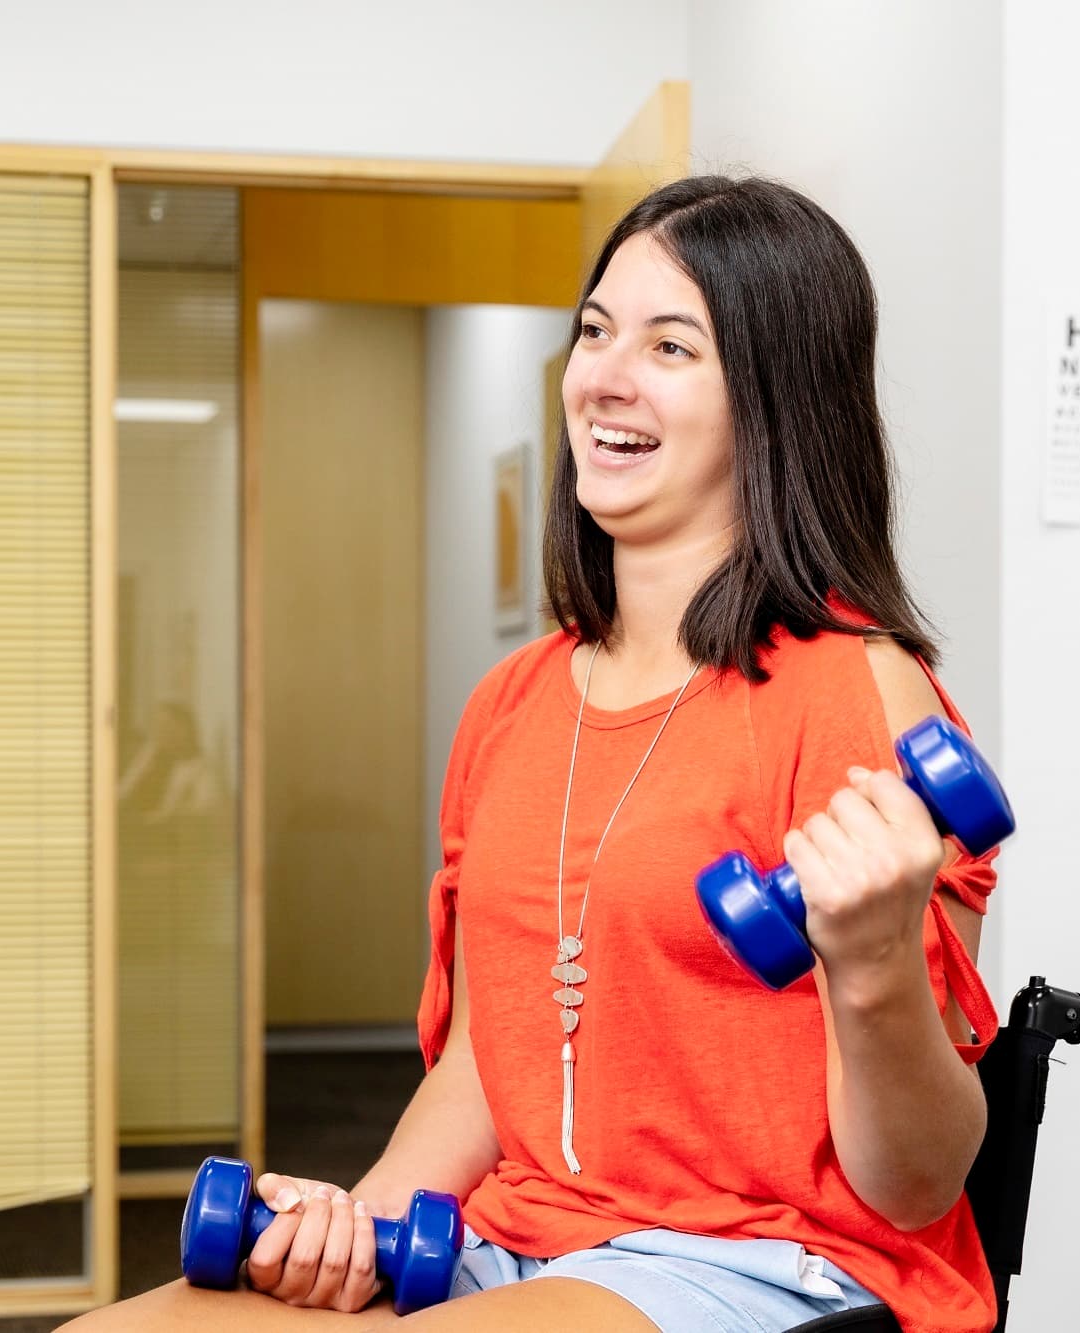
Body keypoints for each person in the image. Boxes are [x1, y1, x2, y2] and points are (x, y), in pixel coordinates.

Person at [67, 175, 1001, 1333]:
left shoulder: (856, 692)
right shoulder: (511, 701)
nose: (604, 375)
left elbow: (916, 1181)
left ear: (774, 399)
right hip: (514, 1238)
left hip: (761, 1260)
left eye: (671, 345)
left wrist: (868, 970)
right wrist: (354, 1226)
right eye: (595, 331)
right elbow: (480, 1063)